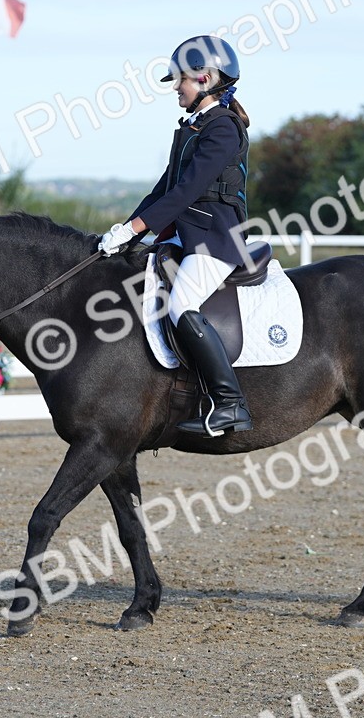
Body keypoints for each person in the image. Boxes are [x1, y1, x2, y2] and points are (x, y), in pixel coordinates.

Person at [98, 35, 253, 437]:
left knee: (182, 302)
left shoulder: (223, 128)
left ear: (205, 78)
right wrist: (125, 232)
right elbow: (163, 190)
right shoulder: (193, 128)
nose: (176, 88)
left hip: (215, 237)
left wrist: (137, 227)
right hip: (188, 233)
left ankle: (230, 403)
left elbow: (188, 191)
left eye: (180, 80)